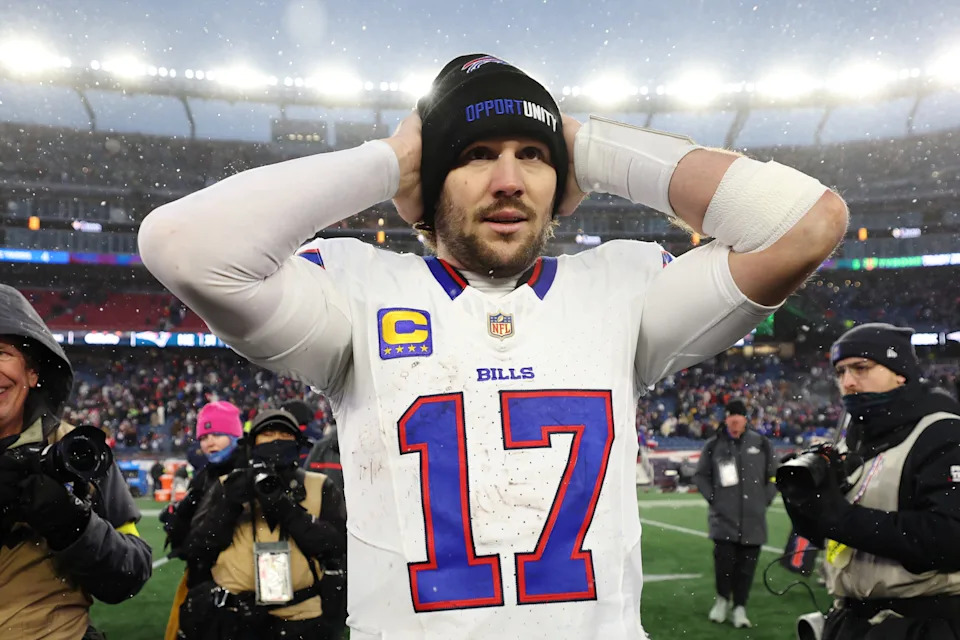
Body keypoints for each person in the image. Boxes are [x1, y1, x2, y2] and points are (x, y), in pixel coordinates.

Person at [138, 52, 847, 639]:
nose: (509, 180)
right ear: (429, 177)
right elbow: (183, 246)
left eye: (533, 157)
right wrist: (394, 157)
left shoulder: (620, 288)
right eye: (476, 155)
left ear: (561, 180)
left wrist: (589, 145)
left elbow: (807, 224)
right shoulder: (357, 290)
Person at [781, 323, 960, 640]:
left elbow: (949, 539)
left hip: (921, 623)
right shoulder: (855, 439)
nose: (847, 382)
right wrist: (805, 507)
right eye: (840, 372)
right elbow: (831, 537)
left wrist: (839, 517)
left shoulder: (943, 433)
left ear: (899, 372)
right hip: (853, 619)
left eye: (861, 368)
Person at [0, 284, 152, 639]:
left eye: (2, 353)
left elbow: (129, 575)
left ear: (34, 372)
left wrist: (74, 526)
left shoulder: (77, 451)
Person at [178, 409, 347, 640]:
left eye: (283, 434)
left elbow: (335, 546)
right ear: (252, 444)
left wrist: (283, 506)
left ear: (297, 443)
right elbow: (197, 549)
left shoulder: (319, 486)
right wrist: (228, 505)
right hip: (234, 616)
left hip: (303, 617)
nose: (275, 440)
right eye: (267, 434)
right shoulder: (227, 485)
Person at [162, 401, 245, 640]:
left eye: (218, 434)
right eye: (205, 436)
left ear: (235, 435)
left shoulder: (243, 474)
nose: (210, 442)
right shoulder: (204, 477)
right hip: (201, 577)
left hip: (233, 580)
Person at [693, 398, 777, 629]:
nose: (735, 421)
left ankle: (740, 607)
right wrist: (714, 499)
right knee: (724, 565)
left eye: (738, 417)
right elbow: (700, 476)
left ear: (745, 419)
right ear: (726, 419)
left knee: (746, 568)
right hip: (724, 520)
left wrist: (764, 499)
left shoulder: (761, 443)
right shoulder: (714, 445)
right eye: (731, 416)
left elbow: (774, 475)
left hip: (754, 520)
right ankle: (721, 601)